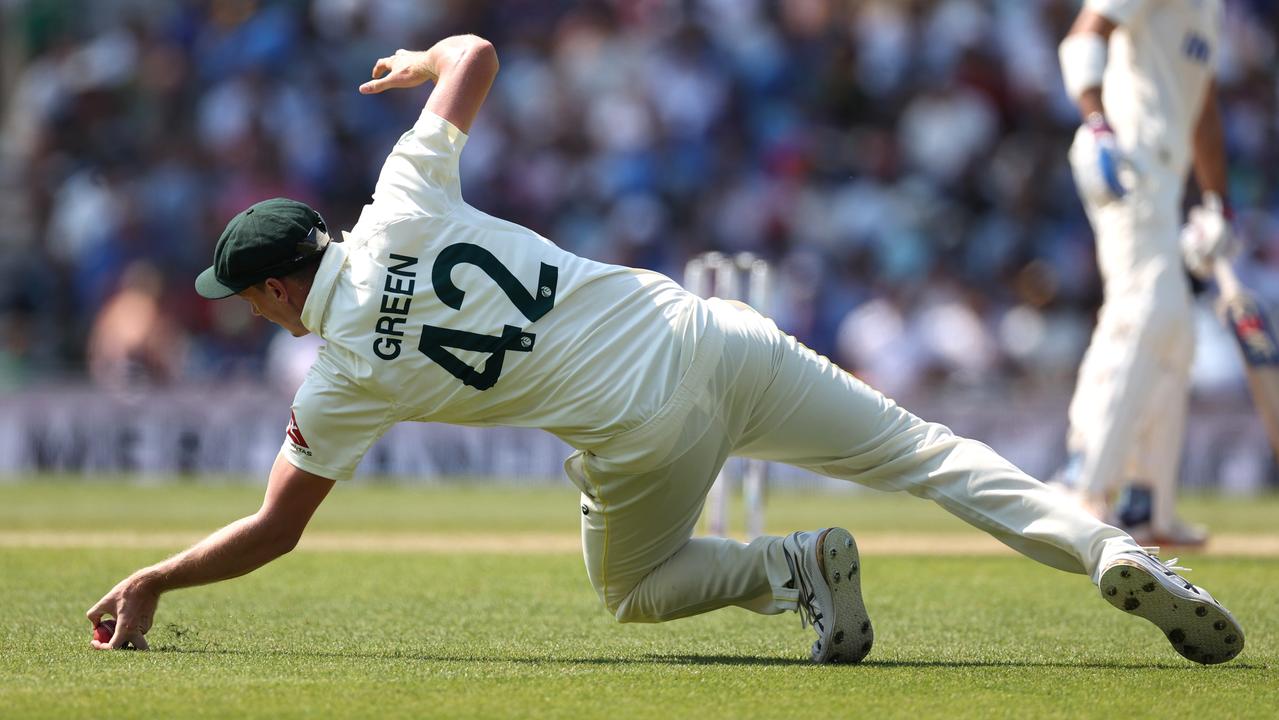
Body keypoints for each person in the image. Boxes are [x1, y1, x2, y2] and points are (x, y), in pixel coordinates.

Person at [87, 35, 1245, 665]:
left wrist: (157, 579)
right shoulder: (398, 197)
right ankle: (1109, 552)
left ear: (285, 281)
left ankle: (790, 569)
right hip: (712, 330)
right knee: (928, 454)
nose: (248, 310)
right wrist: (415, 64)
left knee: (633, 591)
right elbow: (478, 52)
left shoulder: (340, 373)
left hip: (639, 435)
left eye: (248, 295)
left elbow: (275, 530)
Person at [1056, 0, 1236, 546]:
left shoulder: (1210, 10)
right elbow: (1083, 35)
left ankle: (1146, 504)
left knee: (1174, 331)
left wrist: (1215, 203)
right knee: (1148, 304)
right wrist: (1097, 124)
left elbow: (1200, 103)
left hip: (1163, 176)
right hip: (1124, 158)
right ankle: (1081, 481)